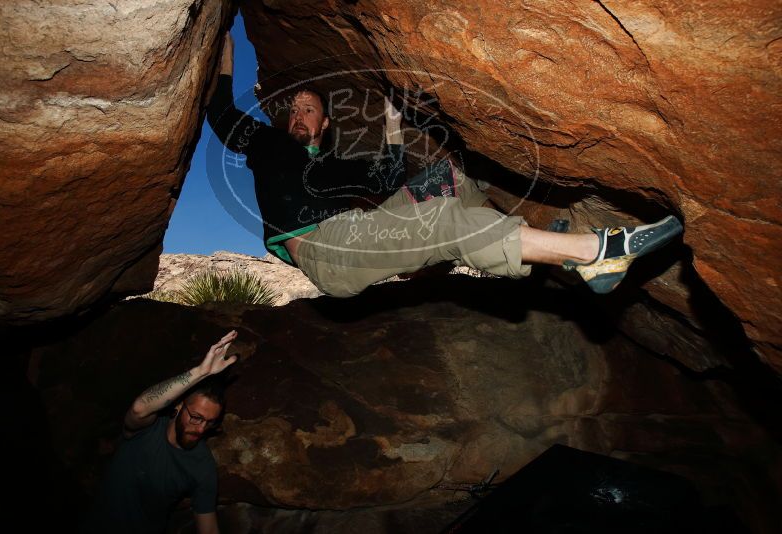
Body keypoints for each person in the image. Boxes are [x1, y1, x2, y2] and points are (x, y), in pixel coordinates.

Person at [207, 34, 682, 297]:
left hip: (356, 228)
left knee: (450, 180)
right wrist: (224, 58)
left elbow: (390, 176)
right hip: (324, 251)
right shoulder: (268, 145)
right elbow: (223, 117)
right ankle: (592, 254)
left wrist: (393, 122)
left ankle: (519, 251)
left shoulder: (332, 166)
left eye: (308, 108)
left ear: (325, 122)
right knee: (441, 219)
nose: (297, 114)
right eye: (293, 108)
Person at [82, 331, 239, 534]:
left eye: (210, 423)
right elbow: (139, 408)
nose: (201, 429)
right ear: (179, 406)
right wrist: (201, 372)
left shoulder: (203, 465)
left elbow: (208, 526)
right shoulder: (147, 429)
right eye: (196, 417)